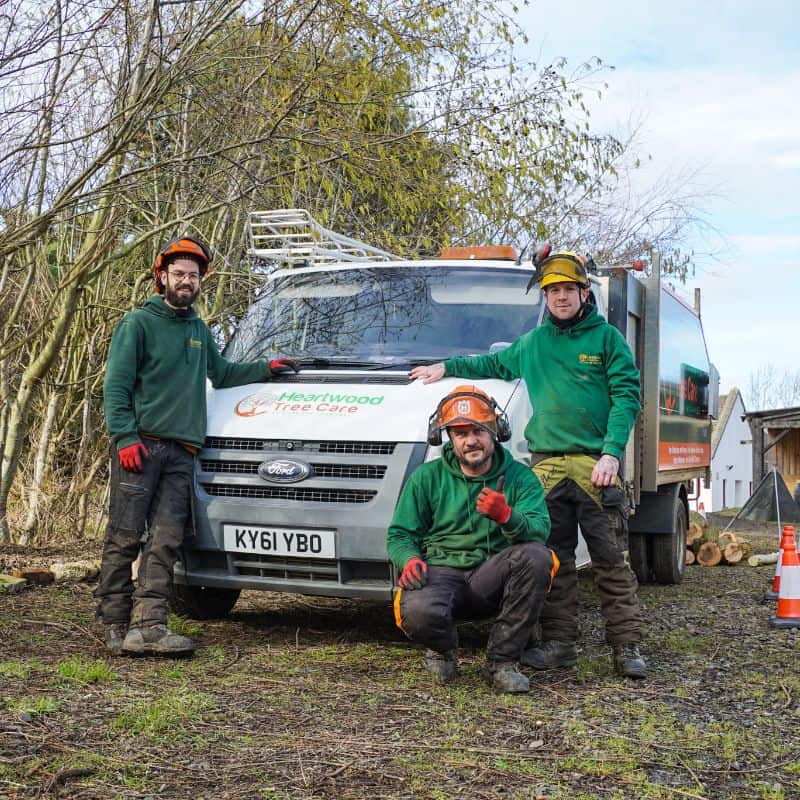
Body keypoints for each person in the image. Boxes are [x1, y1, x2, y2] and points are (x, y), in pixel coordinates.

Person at [410, 249, 647, 678]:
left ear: (583, 292)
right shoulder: (532, 344)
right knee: (553, 561)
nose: (560, 297)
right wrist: (445, 367)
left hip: (598, 468)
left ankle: (626, 647)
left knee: (611, 562)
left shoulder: (607, 339)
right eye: (552, 290)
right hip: (547, 468)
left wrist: (612, 451)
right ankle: (560, 644)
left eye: (567, 290)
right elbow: (489, 363)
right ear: (545, 296)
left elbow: (627, 396)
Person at [97, 236, 299, 657]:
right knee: (125, 536)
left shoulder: (198, 329)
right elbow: (115, 386)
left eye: (193, 275)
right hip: (142, 448)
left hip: (182, 452)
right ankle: (114, 621)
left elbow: (221, 373)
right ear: (161, 277)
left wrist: (267, 368)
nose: (186, 281)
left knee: (166, 540)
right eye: (179, 273)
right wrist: (125, 436)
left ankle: (150, 625)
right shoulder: (138, 323)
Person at [387, 385, 557, 693]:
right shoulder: (427, 478)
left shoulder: (520, 477)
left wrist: (507, 516)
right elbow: (400, 534)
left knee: (537, 556)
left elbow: (540, 531)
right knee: (417, 612)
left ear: (495, 431)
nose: (470, 441)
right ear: (449, 439)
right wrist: (408, 559)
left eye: (478, 430)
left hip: (493, 575)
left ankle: (502, 662)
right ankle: (443, 647)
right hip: (441, 571)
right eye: (460, 433)